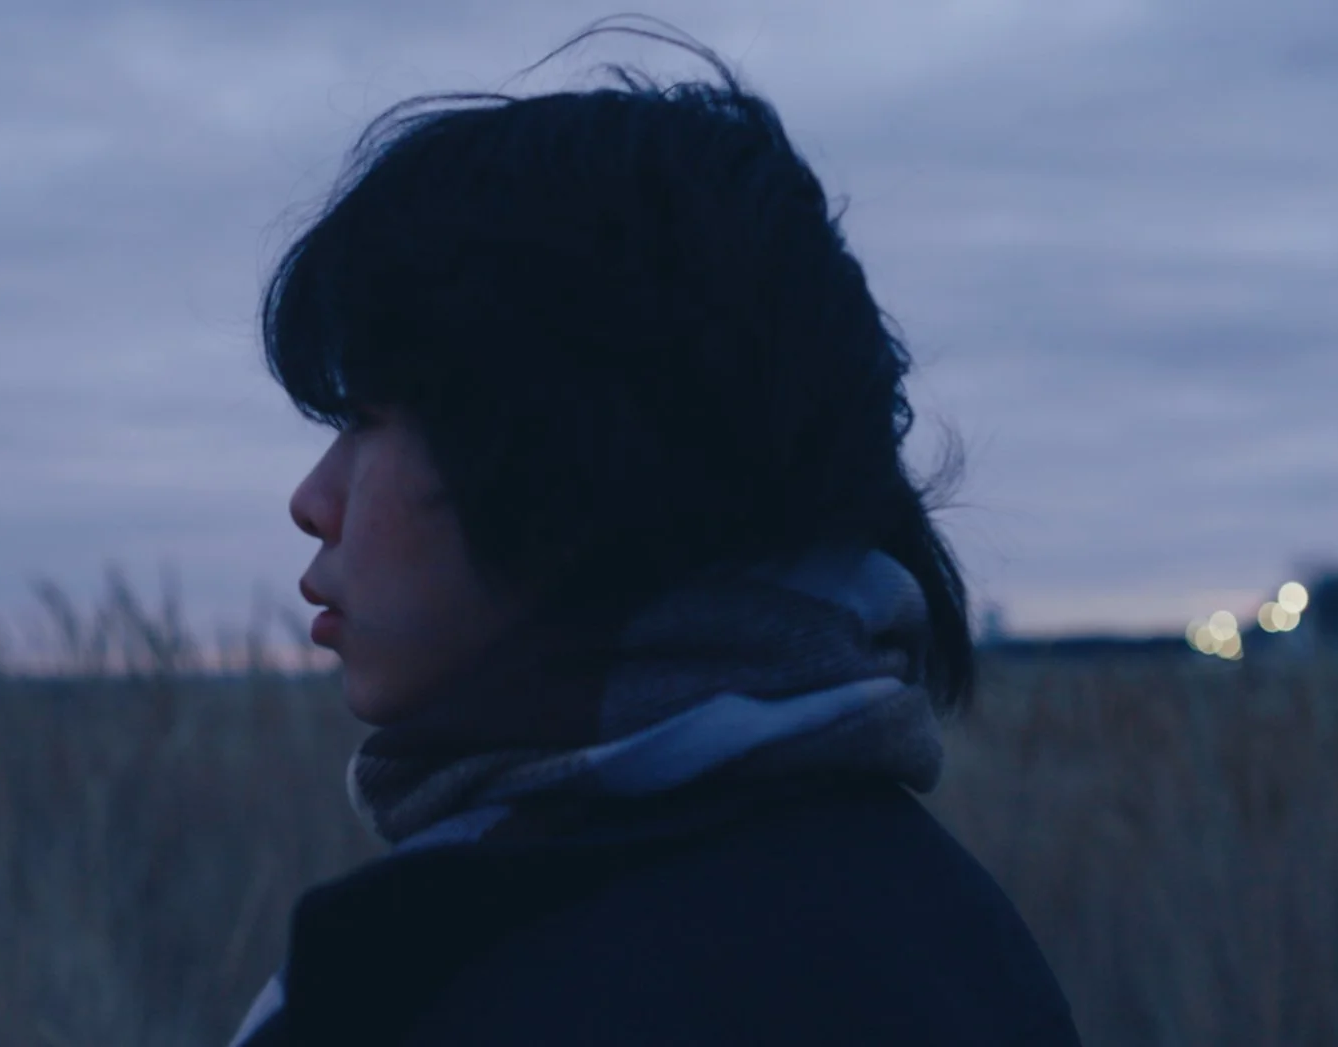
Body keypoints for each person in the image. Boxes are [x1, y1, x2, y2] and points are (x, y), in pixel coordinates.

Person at [231, 19, 1079, 1046]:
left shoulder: (495, 979)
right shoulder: (943, 922)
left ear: (567, 443)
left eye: (366, 422)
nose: (312, 501)